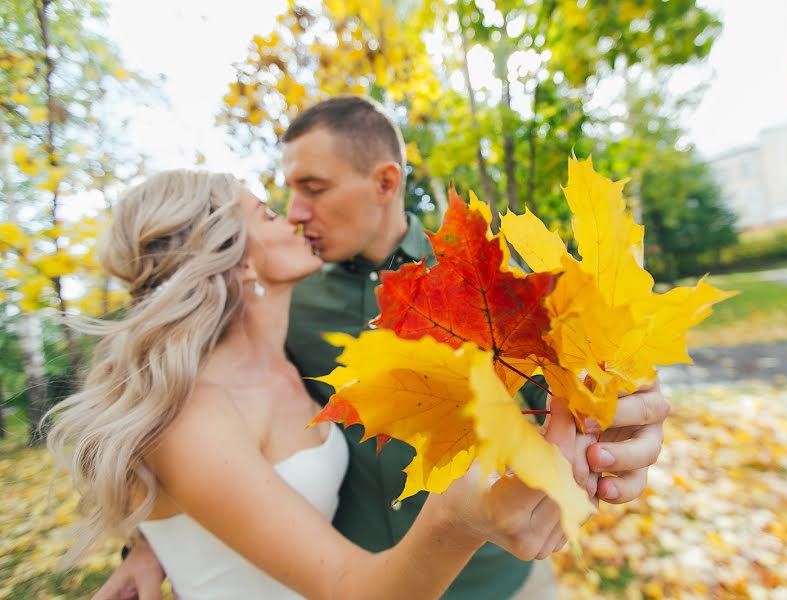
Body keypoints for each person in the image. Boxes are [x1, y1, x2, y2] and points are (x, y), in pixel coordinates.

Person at [95, 95, 671, 599]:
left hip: (497, 580)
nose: (295, 211)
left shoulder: (492, 285)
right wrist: (153, 543)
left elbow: (584, 398)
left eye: (312, 188)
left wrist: (623, 420)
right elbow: (197, 429)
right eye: (285, 193)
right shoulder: (283, 310)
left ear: (386, 182)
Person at [47, 170, 589, 600]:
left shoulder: (283, 360)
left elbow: (209, 502)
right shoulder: (193, 418)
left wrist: (155, 544)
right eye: (266, 212)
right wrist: (457, 516)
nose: (291, 217)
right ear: (230, 256)